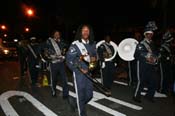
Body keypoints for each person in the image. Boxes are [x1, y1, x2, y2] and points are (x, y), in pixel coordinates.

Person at [66, 24, 97, 116]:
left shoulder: (92, 44)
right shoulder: (75, 45)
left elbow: (94, 57)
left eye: (87, 30)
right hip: (79, 74)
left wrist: (93, 63)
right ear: (80, 32)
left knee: (89, 95)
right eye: (83, 30)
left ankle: (74, 104)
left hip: (89, 73)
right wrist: (79, 70)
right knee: (81, 96)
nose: (86, 32)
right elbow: (69, 61)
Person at [133, 21, 159, 103]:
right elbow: (136, 55)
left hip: (151, 65)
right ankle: (136, 96)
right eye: (148, 34)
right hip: (142, 65)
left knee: (154, 81)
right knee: (141, 81)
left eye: (151, 34)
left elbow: (156, 53)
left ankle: (149, 96)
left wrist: (156, 59)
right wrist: (147, 57)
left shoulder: (153, 44)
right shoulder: (141, 44)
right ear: (145, 34)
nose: (150, 35)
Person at [43, 30, 69, 98]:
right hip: (53, 63)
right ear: (53, 35)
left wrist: (65, 52)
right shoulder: (49, 41)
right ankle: (53, 92)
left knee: (64, 79)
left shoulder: (62, 41)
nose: (57, 35)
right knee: (54, 79)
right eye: (56, 34)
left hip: (61, 63)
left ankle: (65, 94)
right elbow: (46, 51)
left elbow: (66, 49)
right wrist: (51, 56)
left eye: (58, 34)